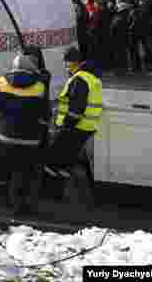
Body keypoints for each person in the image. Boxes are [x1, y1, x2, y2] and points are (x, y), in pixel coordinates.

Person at [0, 48, 50, 215]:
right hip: (30, 137)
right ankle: (22, 204)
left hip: (6, 135)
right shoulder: (39, 86)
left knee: (4, 168)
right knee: (26, 172)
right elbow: (44, 112)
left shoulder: (2, 81)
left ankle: (3, 199)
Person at [45, 46, 103, 208]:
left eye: (66, 62)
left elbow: (76, 109)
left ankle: (51, 195)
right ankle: (59, 194)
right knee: (66, 162)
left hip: (74, 128)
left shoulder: (80, 79)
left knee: (52, 161)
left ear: (74, 62)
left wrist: (63, 127)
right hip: (86, 128)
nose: (65, 66)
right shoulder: (92, 78)